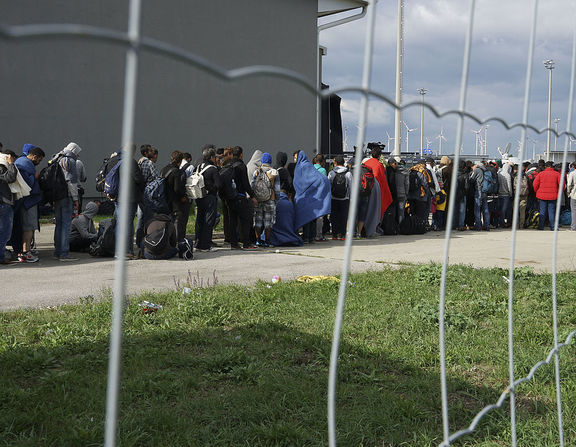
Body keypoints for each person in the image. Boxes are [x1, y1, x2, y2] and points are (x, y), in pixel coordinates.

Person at [103, 146, 145, 256]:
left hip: (116, 197)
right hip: (129, 198)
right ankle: (126, 251)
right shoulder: (130, 162)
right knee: (127, 224)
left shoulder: (112, 160)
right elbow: (138, 179)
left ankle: (117, 249)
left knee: (119, 223)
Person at [51, 142, 82, 261]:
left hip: (56, 196)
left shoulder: (56, 158)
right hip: (67, 196)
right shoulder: (70, 161)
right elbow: (72, 182)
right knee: (65, 225)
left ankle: (57, 251)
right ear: (74, 151)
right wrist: (75, 198)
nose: (78, 156)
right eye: (78, 153)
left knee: (58, 224)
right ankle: (64, 253)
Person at [14, 146, 45, 262]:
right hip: (28, 201)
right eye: (39, 160)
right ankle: (25, 252)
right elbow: (26, 184)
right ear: (34, 156)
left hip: (26, 201)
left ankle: (25, 251)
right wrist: (34, 177)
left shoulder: (22, 162)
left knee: (28, 227)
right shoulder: (25, 165)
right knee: (29, 227)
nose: (39, 163)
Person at [223, 146, 257, 250]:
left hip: (229, 198)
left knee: (232, 221)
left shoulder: (228, 165)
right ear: (241, 155)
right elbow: (246, 184)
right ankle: (246, 243)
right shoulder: (242, 166)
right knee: (245, 220)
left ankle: (234, 244)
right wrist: (253, 196)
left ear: (232, 154)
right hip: (240, 197)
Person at [293, 151, 331, 244]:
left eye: (295, 158)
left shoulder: (300, 167)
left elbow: (297, 182)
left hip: (304, 195)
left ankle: (305, 237)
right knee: (312, 217)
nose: (294, 160)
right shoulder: (309, 165)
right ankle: (311, 237)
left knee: (305, 217)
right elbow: (320, 178)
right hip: (313, 196)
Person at [195, 146, 221, 252]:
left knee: (199, 219)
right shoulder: (212, 169)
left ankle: (197, 243)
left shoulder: (198, 166)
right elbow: (218, 184)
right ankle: (205, 245)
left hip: (199, 196)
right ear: (211, 157)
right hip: (210, 197)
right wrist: (212, 188)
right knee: (208, 220)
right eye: (215, 156)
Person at [251, 152, 280, 247]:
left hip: (258, 199)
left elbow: (252, 186)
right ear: (270, 161)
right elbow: (277, 189)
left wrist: (253, 197)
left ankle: (258, 240)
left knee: (258, 221)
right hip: (270, 199)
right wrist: (276, 200)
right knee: (268, 222)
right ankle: (267, 241)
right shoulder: (274, 172)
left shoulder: (257, 171)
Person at [160, 150, 189, 243]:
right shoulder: (176, 171)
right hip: (175, 202)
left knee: (167, 222)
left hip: (164, 200)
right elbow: (177, 188)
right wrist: (183, 196)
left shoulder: (164, 169)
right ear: (180, 161)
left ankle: (168, 242)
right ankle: (177, 242)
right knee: (178, 223)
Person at [136, 144, 160, 246]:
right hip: (148, 194)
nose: (152, 152)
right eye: (150, 151)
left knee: (140, 218)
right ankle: (148, 241)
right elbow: (157, 178)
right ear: (146, 153)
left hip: (139, 193)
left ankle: (138, 241)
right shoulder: (150, 163)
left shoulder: (139, 162)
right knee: (149, 218)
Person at [363, 145, 393, 219]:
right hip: (375, 191)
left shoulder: (365, 163)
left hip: (364, 190)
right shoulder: (379, 166)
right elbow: (382, 180)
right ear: (379, 156)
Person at [328, 155, 352, 240]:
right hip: (344, 198)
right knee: (343, 216)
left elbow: (329, 185)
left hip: (333, 198)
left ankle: (334, 235)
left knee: (334, 217)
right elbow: (350, 186)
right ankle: (342, 235)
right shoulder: (348, 173)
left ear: (336, 163)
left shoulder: (331, 173)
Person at [0, 150, 18, 264]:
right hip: (3, 202)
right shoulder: (1, 166)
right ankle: (1, 257)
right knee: (4, 232)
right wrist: (11, 164)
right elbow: (10, 177)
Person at [533, 161, 562, 231]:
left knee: (542, 211)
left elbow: (535, 184)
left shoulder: (540, 174)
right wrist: (558, 192)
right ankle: (552, 227)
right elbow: (562, 185)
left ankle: (541, 226)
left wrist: (537, 191)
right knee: (551, 211)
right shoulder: (557, 174)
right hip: (553, 195)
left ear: (545, 166)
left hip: (542, 195)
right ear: (552, 166)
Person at [470, 160, 490, 231]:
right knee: (485, 208)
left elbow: (471, 179)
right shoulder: (486, 170)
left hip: (478, 190)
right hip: (485, 190)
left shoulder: (477, 170)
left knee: (477, 208)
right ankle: (487, 225)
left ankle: (478, 225)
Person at [567, 161, 576, 231]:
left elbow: (569, 184)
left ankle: (574, 227)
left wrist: (568, 192)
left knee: (574, 211)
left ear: (573, 166)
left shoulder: (572, 173)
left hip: (574, 194)